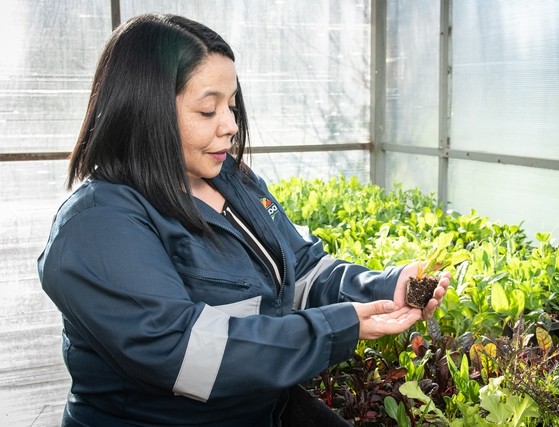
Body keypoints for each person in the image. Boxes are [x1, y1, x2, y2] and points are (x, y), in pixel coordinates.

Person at [37, 13, 450, 427]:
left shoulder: (232, 180)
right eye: (207, 110)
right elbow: (183, 353)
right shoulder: (99, 227)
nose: (231, 126)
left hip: (263, 408)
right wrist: (334, 328)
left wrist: (383, 286)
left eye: (231, 106)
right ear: (144, 111)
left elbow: (299, 269)